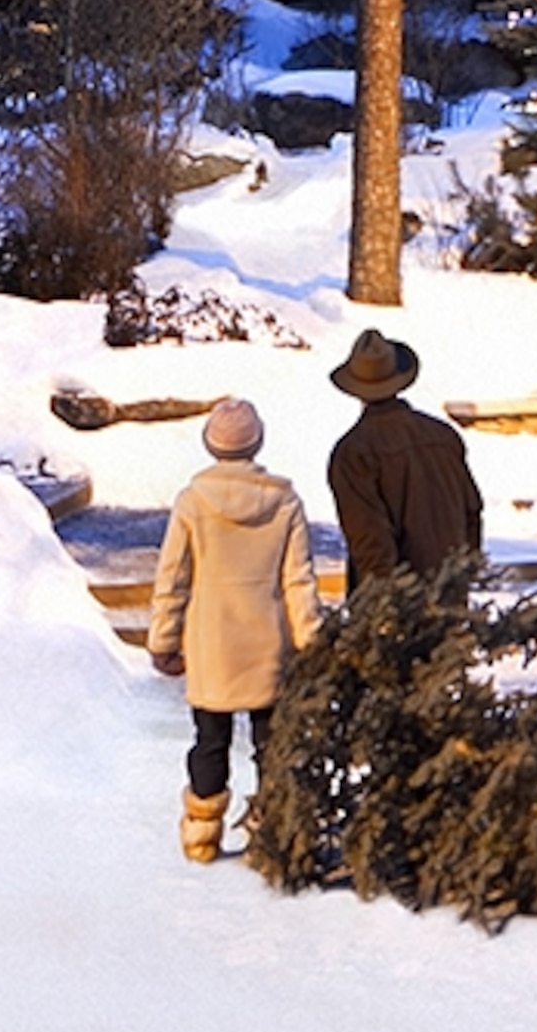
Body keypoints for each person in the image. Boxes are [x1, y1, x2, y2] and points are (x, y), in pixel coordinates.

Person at [146, 396, 320, 863]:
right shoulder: (285, 501)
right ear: (257, 442)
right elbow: (298, 580)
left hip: (211, 644)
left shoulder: (192, 502)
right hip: (268, 641)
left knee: (210, 740)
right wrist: (311, 641)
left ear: (210, 445)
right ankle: (275, 834)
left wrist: (163, 640)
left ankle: (202, 836)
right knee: (272, 742)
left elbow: (173, 578)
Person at [324, 328, 484, 591]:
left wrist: (383, 604)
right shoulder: (443, 436)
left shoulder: (353, 452)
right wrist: (464, 570)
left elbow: (369, 538)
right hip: (450, 589)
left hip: (399, 602)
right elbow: (472, 511)